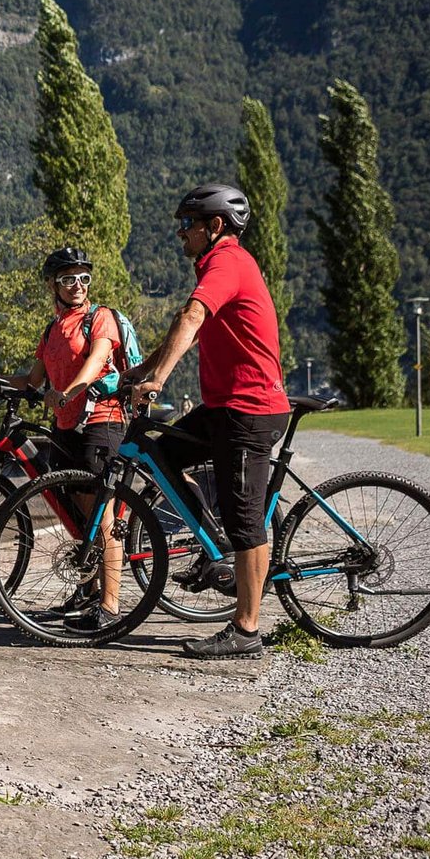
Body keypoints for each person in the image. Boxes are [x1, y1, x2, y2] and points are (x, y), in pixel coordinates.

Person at [125, 184, 292, 659]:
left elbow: (191, 317)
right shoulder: (217, 265)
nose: (181, 233)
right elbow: (191, 325)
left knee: (246, 521)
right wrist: (142, 370)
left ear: (214, 226)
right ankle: (212, 544)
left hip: (249, 411)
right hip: (223, 408)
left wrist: (157, 380)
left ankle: (246, 631)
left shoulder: (228, 262)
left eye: (187, 224)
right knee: (163, 457)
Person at [0, 246, 127, 631]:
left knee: (100, 514)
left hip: (101, 420)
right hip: (66, 426)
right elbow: (31, 381)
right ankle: (87, 593)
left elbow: (96, 360)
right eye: (69, 279)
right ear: (53, 285)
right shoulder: (53, 330)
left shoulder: (99, 318)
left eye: (83, 278)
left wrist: (69, 391)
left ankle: (110, 607)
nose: (78, 285)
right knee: (78, 514)